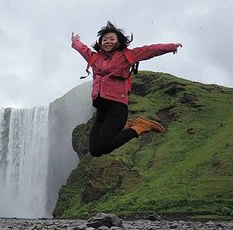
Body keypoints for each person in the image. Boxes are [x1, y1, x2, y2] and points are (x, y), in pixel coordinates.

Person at [71, 21, 182, 157]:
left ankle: (140, 127)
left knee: (104, 146)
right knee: (95, 150)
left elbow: (149, 50)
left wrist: (170, 47)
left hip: (117, 106)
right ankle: (125, 125)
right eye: (104, 39)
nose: (108, 41)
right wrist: (75, 42)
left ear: (119, 41)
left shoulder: (125, 55)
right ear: (100, 43)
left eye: (112, 39)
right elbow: (84, 50)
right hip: (101, 109)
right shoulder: (95, 58)